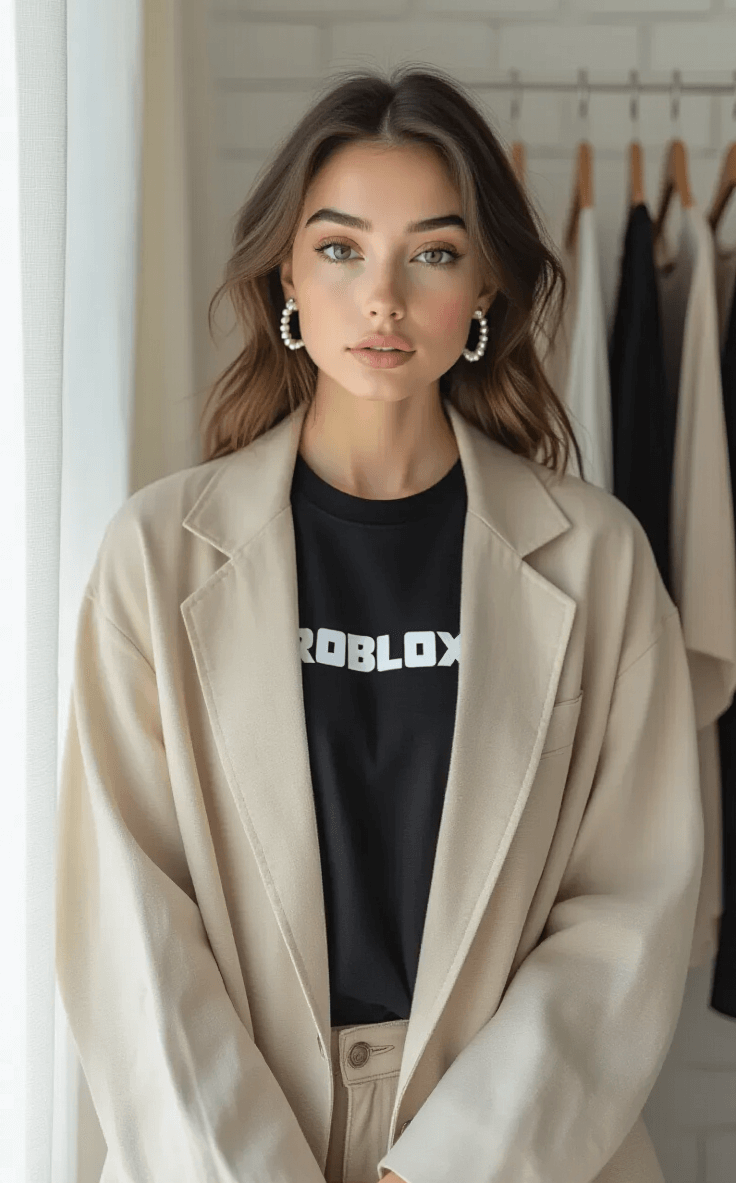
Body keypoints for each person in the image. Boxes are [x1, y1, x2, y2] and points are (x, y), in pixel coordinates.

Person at [56, 65, 704, 1183]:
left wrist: (438, 1169)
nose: (384, 298)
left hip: (513, 1147)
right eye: (343, 247)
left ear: (486, 288)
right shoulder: (156, 558)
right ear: (287, 279)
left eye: (434, 253)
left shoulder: (596, 562)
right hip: (223, 1146)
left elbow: (629, 911)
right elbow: (130, 918)